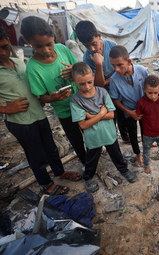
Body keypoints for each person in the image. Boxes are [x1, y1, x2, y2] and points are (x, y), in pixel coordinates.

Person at [0, 24, 81, 195]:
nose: (1, 52)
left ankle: (60, 172)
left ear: (8, 41)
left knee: (50, 148)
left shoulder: (17, 62)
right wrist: (5, 109)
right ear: (29, 42)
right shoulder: (31, 65)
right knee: (35, 153)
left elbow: (34, 89)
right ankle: (46, 184)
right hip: (20, 121)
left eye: (4, 47)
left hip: (38, 114)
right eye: (39, 46)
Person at [20, 16, 86, 166]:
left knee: (91, 133)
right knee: (76, 140)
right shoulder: (33, 68)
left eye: (49, 44)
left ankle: (94, 156)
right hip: (65, 111)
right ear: (28, 41)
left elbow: (80, 70)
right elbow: (42, 97)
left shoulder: (62, 49)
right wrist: (53, 98)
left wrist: (74, 72)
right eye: (38, 46)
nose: (46, 50)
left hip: (83, 102)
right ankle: (86, 164)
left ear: (53, 37)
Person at [70, 62, 137, 192]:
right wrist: (101, 113)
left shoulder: (102, 92)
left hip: (109, 134)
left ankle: (124, 170)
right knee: (91, 159)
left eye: (89, 82)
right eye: (82, 84)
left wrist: (91, 116)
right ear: (74, 81)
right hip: (93, 138)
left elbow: (111, 114)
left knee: (117, 154)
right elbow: (83, 125)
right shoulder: (75, 100)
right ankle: (88, 177)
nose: (87, 86)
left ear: (93, 76)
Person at [74, 20, 129, 143]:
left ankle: (126, 138)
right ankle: (112, 140)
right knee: (110, 117)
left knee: (123, 115)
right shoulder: (88, 58)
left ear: (99, 36)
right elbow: (98, 85)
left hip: (119, 88)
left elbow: (121, 70)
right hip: (104, 95)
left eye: (94, 43)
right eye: (87, 46)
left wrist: (108, 80)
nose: (92, 49)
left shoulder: (112, 47)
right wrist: (98, 65)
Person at [109, 45, 147, 167]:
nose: (116, 69)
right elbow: (115, 99)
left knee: (146, 131)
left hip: (144, 110)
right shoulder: (114, 79)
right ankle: (138, 155)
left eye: (120, 65)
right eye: (113, 65)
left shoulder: (142, 71)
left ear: (129, 61)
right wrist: (129, 112)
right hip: (129, 111)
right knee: (132, 134)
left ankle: (146, 150)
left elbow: (149, 89)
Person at [136, 75, 159, 174]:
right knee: (146, 150)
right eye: (149, 93)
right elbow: (139, 115)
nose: (153, 96)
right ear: (144, 90)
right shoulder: (141, 103)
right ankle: (146, 165)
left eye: (156, 92)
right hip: (147, 134)